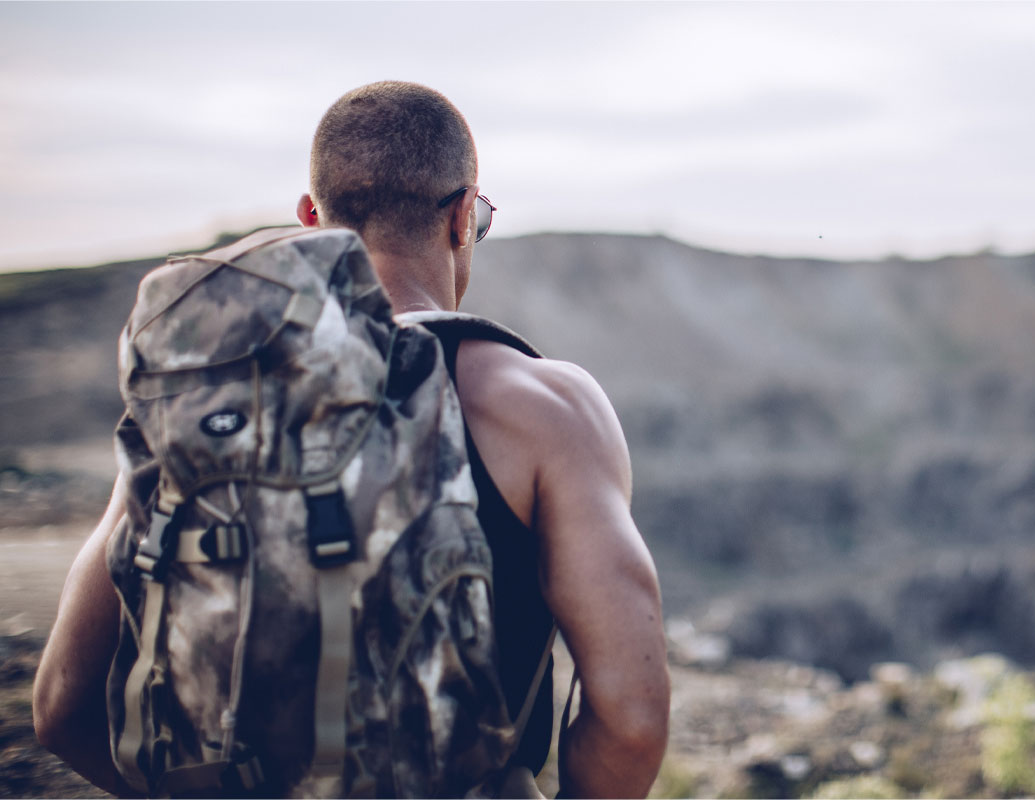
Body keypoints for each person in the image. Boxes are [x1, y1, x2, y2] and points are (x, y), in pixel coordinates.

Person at [33, 81, 671, 798]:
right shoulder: (545, 407)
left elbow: (61, 707)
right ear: (464, 217)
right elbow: (632, 718)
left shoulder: (206, 402)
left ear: (312, 220)